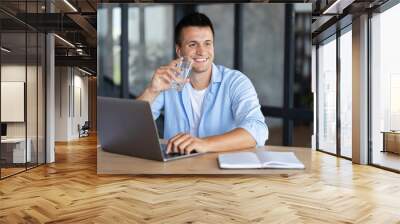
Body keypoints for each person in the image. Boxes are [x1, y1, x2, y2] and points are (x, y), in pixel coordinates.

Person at [137, 12, 268, 155]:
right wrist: (152, 90)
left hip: (221, 169)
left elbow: (257, 129)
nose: (202, 51)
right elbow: (131, 127)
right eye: (193, 44)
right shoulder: (169, 81)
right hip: (176, 168)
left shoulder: (235, 82)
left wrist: (204, 144)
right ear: (179, 51)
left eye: (207, 43)